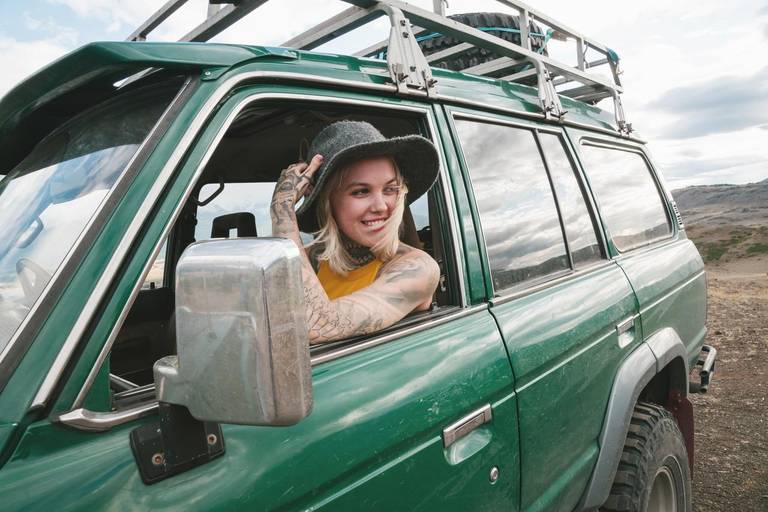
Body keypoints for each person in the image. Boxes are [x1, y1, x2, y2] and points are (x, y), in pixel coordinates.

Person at [270, 121, 441, 344]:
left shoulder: (417, 269)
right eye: (361, 191)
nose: (381, 206)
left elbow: (318, 325)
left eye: (390, 189)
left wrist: (282, 208)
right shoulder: (312, 258)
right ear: (327, 200)